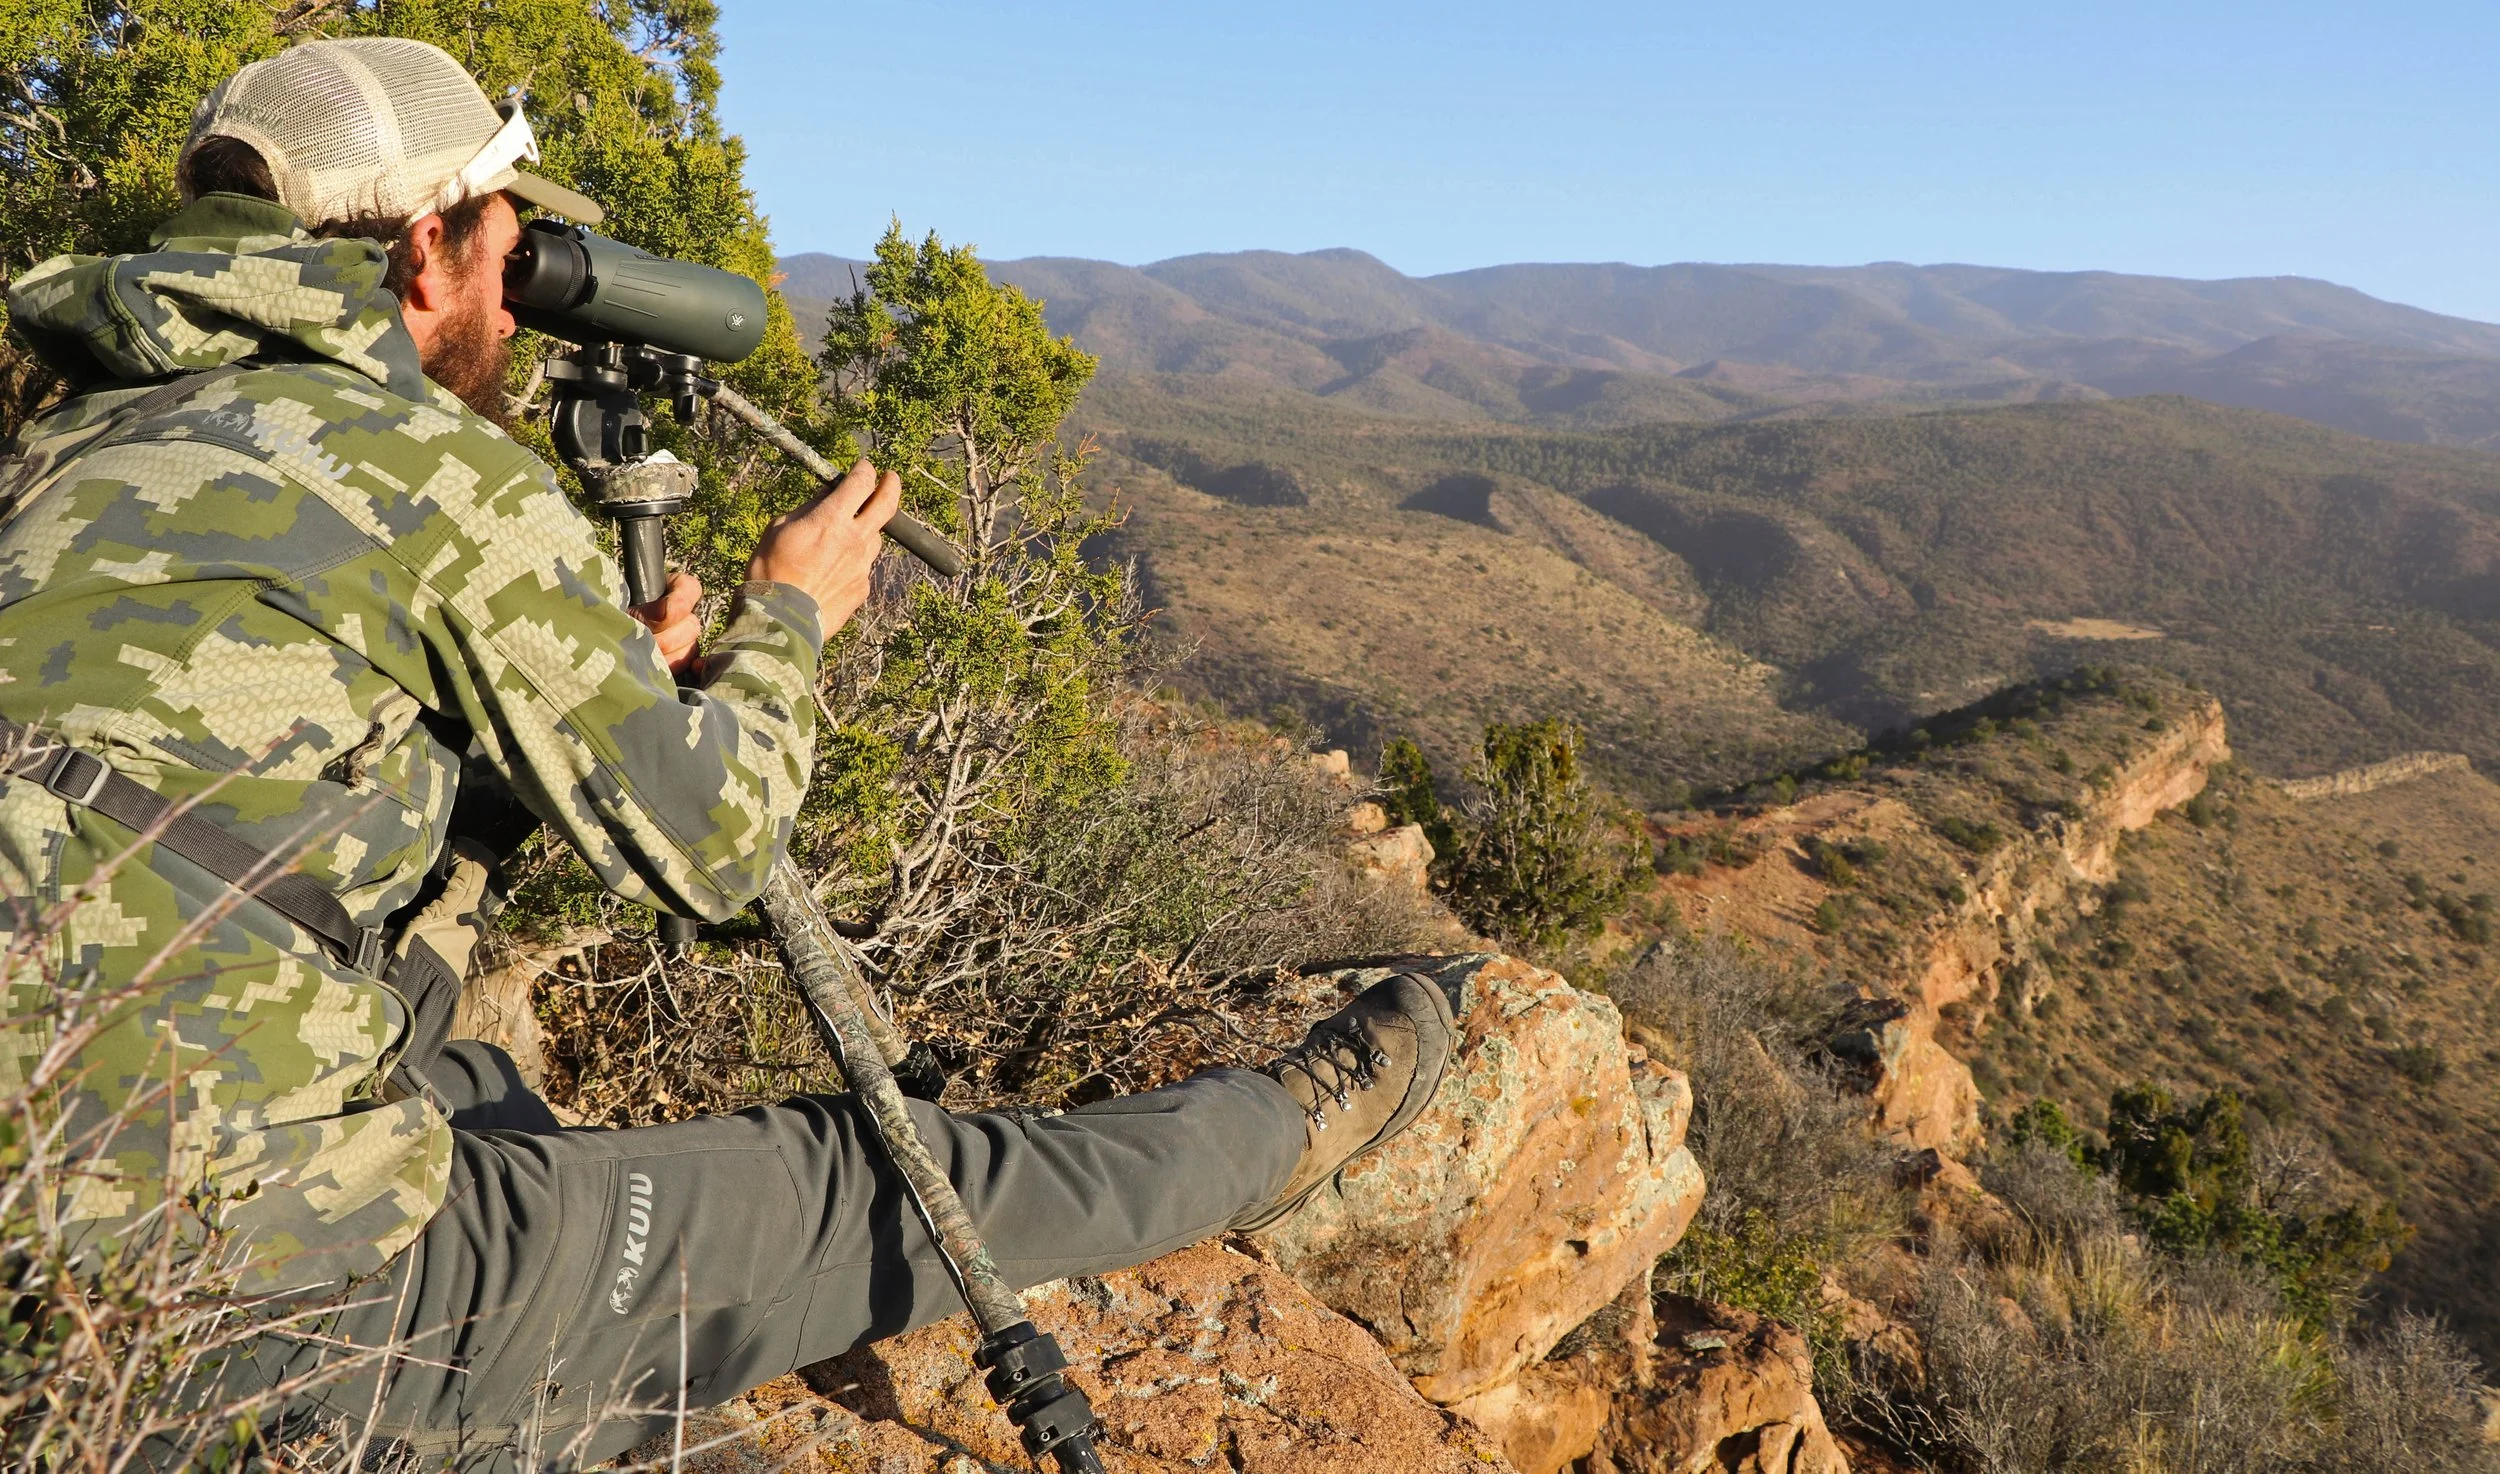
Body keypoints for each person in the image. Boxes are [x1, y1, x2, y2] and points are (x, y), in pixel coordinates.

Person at [0, 36, 1457, 1469]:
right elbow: (709, 848)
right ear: (430, 251)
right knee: (864, 1173)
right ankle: (1283, 1130)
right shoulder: (423, 470)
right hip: (233, 1309)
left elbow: (264, 823)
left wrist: (564, 714)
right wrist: (788, 628)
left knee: (488, 1096)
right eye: (514, 258)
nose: (519, 316)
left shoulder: (64, 452)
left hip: (42, 1248)